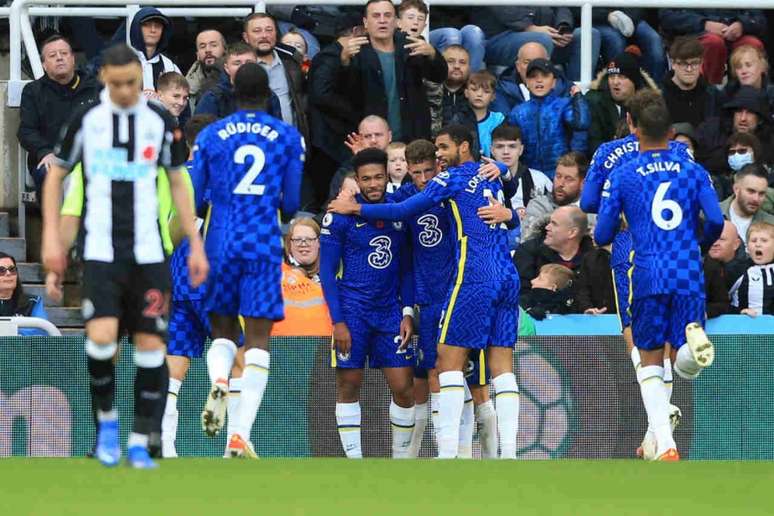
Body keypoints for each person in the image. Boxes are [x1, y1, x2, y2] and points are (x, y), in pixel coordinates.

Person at [41, 44, 208, 469]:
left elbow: (178, 183)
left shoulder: (160, 122)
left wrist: (195, 243)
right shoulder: (86, 121)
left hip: (149, 253)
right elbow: (57, 177)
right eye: (115, 84)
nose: (123, 91)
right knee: (101, 340)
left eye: (131, 83)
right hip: (100, 252)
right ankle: (107, 428)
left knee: (152, 345)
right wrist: (52, 243)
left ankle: (139, 438)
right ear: (104, 82)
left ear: (141, 81)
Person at [327, 125, 521, 459]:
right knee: (448, 373)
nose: (422, 177)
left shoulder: (448, 185)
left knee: (463, 375)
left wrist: (511, 213)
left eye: (436, 158)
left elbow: (506, 189)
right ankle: (482, 455)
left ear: (450, 156)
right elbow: (386, 199)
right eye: (415, 172)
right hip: (440, 296)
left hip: (464, 287)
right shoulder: (426, 191)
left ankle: (462, 453)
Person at [594, 89, 724, 461]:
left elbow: (602, 233)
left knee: (649, 356)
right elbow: (716, 219)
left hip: (648, 269)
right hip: (687, 266)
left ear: (633, 127)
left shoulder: (623, 173)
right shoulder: (692, 169)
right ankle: (689, 350)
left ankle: (665, 444)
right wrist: (698, 242)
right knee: (680, 353)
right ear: (670, 130)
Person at [192, 63, 305, 459]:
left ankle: (220, 376)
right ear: (267, 93)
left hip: (221, 239)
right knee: (257, 341)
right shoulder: (288, 137)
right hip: (261, 242)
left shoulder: (210, 135)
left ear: (234, 91)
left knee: (222, 331)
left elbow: (194, 199)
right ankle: (239, 433)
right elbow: (291, 203)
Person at [319, 148, 416, 459]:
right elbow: (326, 272)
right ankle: (354, 461)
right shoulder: (340, 216)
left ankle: (401, 460)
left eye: (378, 177)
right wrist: (338, 321)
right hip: (353, 310)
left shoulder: (399, 211)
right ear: (356, 181)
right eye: (366, 179)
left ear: (387, 176)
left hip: (390, 311)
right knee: (349, 383)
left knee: (403, 387)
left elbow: (407, 268)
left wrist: (407, 311)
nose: (373, 184)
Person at [161, 113, 246, 460]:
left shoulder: (177, 177)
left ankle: (165, 446)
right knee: (238, 359)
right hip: (214, 277)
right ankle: (234, 444)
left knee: (173, 367)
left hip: (178, 277)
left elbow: (170, 231)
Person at [337, 0, 448, 142]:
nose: (382, 20)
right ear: (365, 22)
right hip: (371, 139)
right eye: (376, 16)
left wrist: (433, 54)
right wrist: (345, 61)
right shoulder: (356, 50)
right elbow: (344, 94)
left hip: (412, 136)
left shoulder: (411, 45)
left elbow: (439, 76)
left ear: (395, 21)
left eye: (387, 15)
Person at [18, 34, 100, 200]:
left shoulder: (95, 87)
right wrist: (45, 152)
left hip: (92, 156)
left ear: (73, 59)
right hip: (52, 157)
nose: (60, 58)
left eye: (64, 53)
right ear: (44, 65)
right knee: (49, 173)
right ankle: (53, 225)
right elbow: (26, 131)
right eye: (52, 56)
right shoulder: (33, 91)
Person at [508, 59, 589, 179]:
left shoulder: (563, 105)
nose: (539, 80)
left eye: (545, 76)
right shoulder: (518, 112)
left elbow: (581, 123)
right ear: (526, 82)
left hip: (560, 175)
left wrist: (578, 97)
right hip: (528, 176)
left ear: (554, 82)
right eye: (533, 77)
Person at [473, 6, 600, 82]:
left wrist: (562, 27)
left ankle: (576, 95)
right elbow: (503, 8)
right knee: (541, 41)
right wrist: (529, 27)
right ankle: (537, 95)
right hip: (499, 37)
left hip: (548, 35)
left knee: (588, 35)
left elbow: (562, 6)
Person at [242, 12, 309, 141]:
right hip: (253, 145)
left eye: (269, 30)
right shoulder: (237, 66)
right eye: (257, 31)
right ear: (246, 37)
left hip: (290, 143)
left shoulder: (291, 61)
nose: (264, 35)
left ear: (276, 34)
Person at [658, 9, 767, 85]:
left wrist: (742, 24)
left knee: (752, 46)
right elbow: (667, 17)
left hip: (734, 34)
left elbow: (760, 18)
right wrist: (704, 24)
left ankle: (749, 103)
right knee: (714, 43)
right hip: (694, 33)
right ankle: (707, 98)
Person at [585, 51, 659, 156]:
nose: (615, 82)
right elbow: (594, 144)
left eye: (621, 77)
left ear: (634, 81)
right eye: (612, 76)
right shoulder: (595, 102)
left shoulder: (650, 105)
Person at [271, 218, 332, 337]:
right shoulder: (277, 274)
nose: (303, 244)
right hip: (283, 348)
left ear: (319, 242)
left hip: (324, 349)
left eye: (309, 239)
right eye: (297, 239)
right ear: (290, 244)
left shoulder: (333, 275)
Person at [514, 206, 592, 297]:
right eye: (549, 222)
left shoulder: (594, 259)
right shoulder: (528, 251)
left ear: (572, 232)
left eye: (554, 224)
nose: (547, 227)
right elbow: (519, 293)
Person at [695, 86, 774, 173]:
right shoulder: (711, 131)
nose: (743, 118)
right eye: (739, 111)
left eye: (750, 112)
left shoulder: (769, 141)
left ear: (760, 119)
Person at [491, 42, 574, 116]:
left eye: (538, 61)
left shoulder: (566, 88)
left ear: (548, 63)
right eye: (527, 62)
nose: (532, 67)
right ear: (518, 66)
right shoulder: (502, 90)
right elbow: (504, 127)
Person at [522, 152, 587, 242]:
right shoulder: (538, 205)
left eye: (568, 179)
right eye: (558, 176)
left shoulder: (591, 210)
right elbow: (526, 241)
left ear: (582, 184)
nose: (560, 184)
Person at [491, 125, 552, 219]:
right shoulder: (481, 181)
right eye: (500, 147)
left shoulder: (540, 179)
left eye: (512, 146)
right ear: (492, 150)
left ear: (521, 149)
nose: (506, 152)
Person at [662, 36, 720, 128]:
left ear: (701, 63)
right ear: (673, 64)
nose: (689, 69)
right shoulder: (660, 97)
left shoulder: (712, 95)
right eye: (684, 63)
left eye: (694, 63)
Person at [595, 9, 666, 84]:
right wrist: (607, 16)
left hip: (631, 17)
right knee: (616, 41)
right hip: (599, 21)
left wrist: (627, 18)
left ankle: (654, 90)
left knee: (654, 39)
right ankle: (617, 88)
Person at [195, 42, 257, 118]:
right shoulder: (212, 98)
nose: (243, 67)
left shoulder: (268, 96)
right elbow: (201, 128)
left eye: (249, 62)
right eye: (237, 63)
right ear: (226, 68)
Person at [128, 7, 182, 93]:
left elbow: (181, 101)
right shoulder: (123, 63)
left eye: (157, 26)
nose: (153, 30)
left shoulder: (170, 67)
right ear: (136, 28)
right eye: (147, 25)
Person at [720, 164, 774, 249]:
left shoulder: (771, 224)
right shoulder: (709, 215)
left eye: (761, 194)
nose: (756, 199)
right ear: (736, 189)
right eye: (751, 191)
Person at [730, 221, 774, 316]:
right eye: (753, 240)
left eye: (764, 240)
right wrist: (739, 312)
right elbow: (721, 301)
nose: (758, 244)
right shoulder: (738, 270)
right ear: (747, 247)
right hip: (744, 327)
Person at [0, 252, 49, 335]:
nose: (8, 274)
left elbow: (41, 332)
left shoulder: (33, 302)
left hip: (22, 348)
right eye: (1, 270)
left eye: (12, 269)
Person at [186, 29, 226, 111]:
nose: (208, 50)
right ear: (197, 55)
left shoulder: (234, 80)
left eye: (213, 45)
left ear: (225, 50)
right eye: (202, 46)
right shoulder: (186, 85)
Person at [707, 221, 751, 292]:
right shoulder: (695, 265)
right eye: (712, 237)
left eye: (721, 239)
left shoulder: (750, 273)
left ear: (736, 245)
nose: (715, 243)